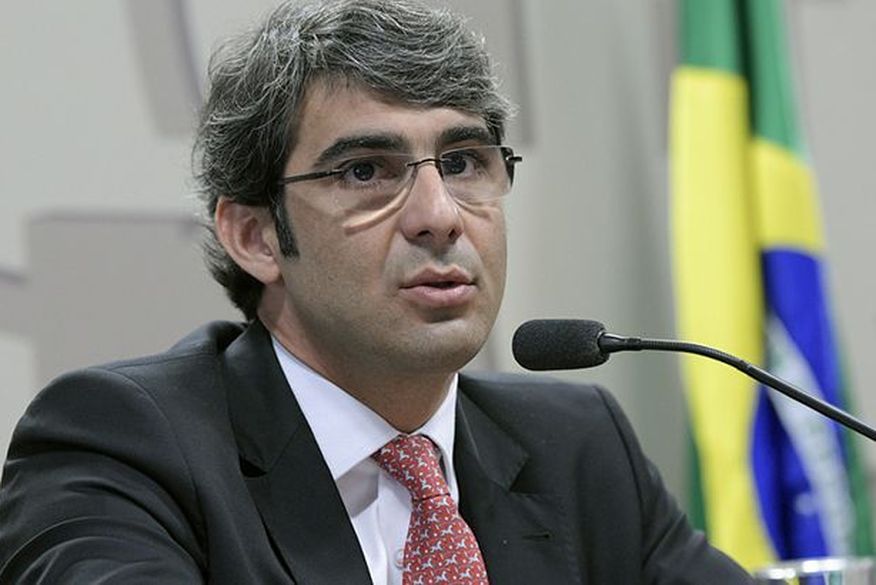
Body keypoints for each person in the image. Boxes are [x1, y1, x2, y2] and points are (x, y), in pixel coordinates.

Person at [0, 0, 753, 583]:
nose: (439, 216)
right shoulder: (122, 445)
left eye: (463, 162)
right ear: (256, 236)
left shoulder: (577, 444)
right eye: (366, 171)